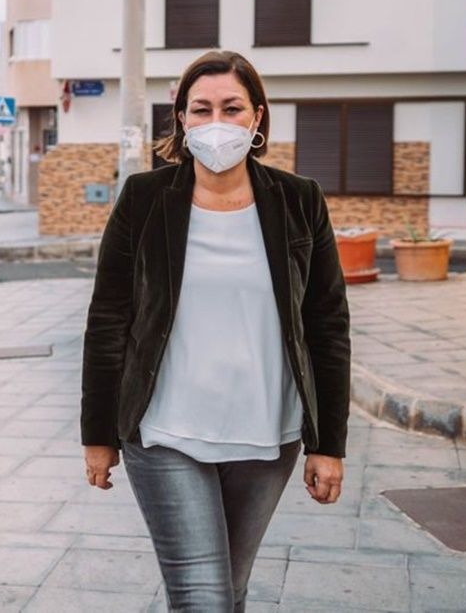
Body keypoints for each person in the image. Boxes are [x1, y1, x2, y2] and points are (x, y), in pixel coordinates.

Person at [81, 50, 350, 611]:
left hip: (267, 434)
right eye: (200, 109)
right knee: (202, 598)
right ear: (181, 119)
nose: (216, 122)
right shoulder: (145, 199)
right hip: (164, 431)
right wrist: (98, 434)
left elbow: (326, 324)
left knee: (229, 592)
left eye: (231, 108)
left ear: (257, 118)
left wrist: (329, 445)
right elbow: (110, 316)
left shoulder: (299, 201)